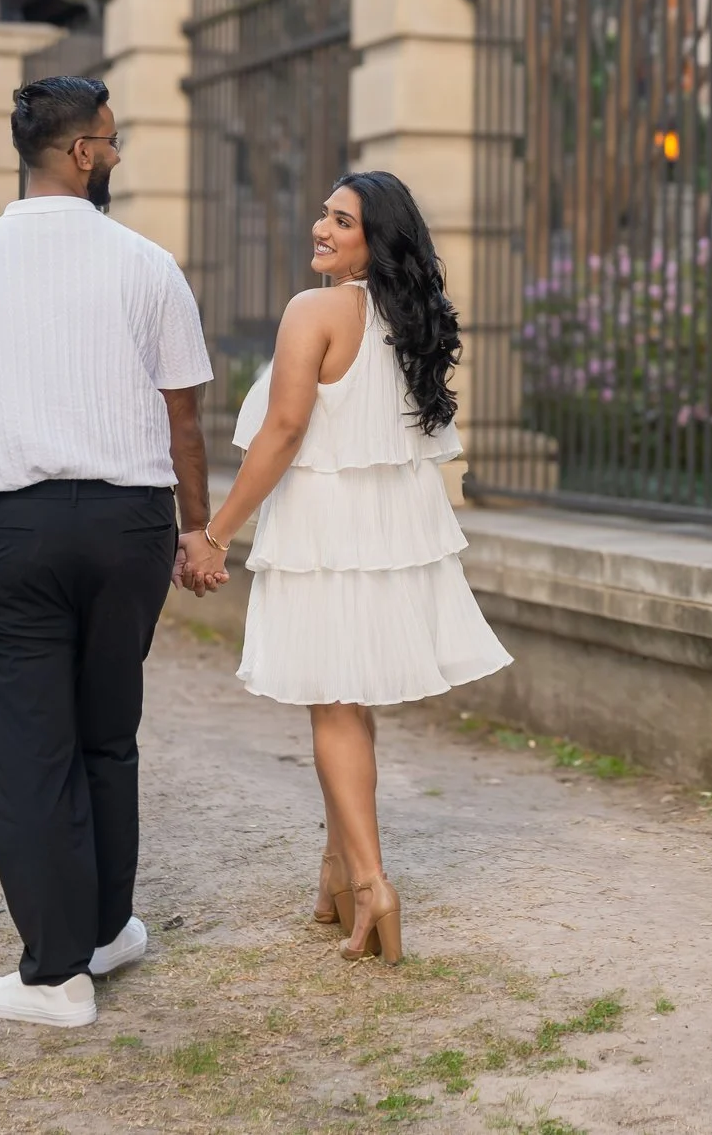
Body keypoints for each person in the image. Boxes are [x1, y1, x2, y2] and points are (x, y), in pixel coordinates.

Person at [0, 75, 223, 1028]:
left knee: (33, 749)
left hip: (11, 535)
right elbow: (183, 417)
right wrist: (194, 530)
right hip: (129, 530)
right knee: (107, 733)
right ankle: (103, 930)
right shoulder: (149, 265)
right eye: (111, 140)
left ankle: (57, 973)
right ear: (80, 153)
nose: (116, 154)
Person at [198, 170, 509, 966]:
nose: (322, 227)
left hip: (325, 531)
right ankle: (337, 871)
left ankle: (373, 883)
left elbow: (285, 429)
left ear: (377, 240)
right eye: (325, 213)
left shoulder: (315, 310)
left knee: (333, 706)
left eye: (343, 221)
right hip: (378, 531)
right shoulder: (405, 319)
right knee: (345, 704)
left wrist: (215, 532)